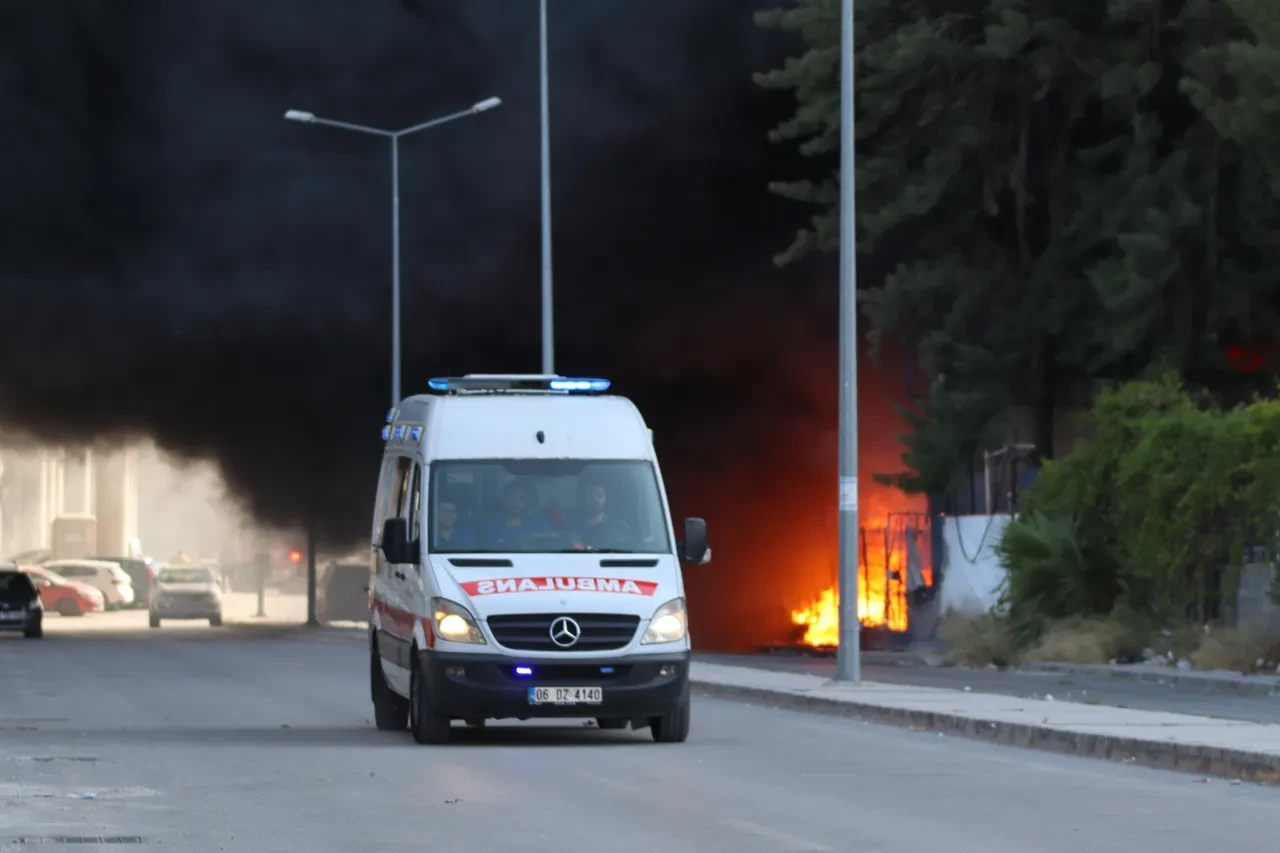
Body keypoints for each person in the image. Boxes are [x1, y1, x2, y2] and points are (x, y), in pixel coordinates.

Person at [481, 480, 551, 549]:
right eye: (511, 498)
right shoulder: (491, 528)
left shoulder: (539, 525)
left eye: (521, 499)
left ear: (527, 502)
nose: (516, 503)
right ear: (503, 500)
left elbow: (549, 547)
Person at [571, 483, 633, 551]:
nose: (595, 499)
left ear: (605, 499)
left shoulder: (618, 527)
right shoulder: (575, 529)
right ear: (585, 499)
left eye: (599, 495)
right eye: (590, 496)